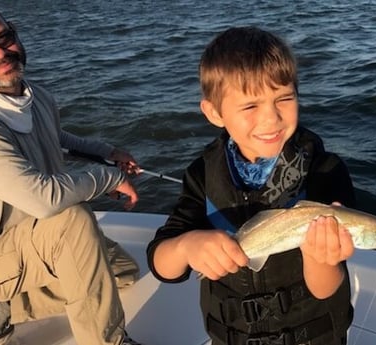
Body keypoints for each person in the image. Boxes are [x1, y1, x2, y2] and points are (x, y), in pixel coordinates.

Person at [0, 1, 142, 344]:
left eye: (4, 37)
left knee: (122, 274)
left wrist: (107, 154)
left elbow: (55, 137)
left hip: (31, 238)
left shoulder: (34, 95)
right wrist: (108, 178)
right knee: (72, 221)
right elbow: (45, 199)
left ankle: (4, 306)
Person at [147, 26, 357, 345]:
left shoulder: (324, 171)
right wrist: (186, 245)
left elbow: (326, 288)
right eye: (250, 106)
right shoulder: (201, 173)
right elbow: (163, 266)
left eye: (284, 99)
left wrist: (320, 257)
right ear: (214, 113)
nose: (271, 118)